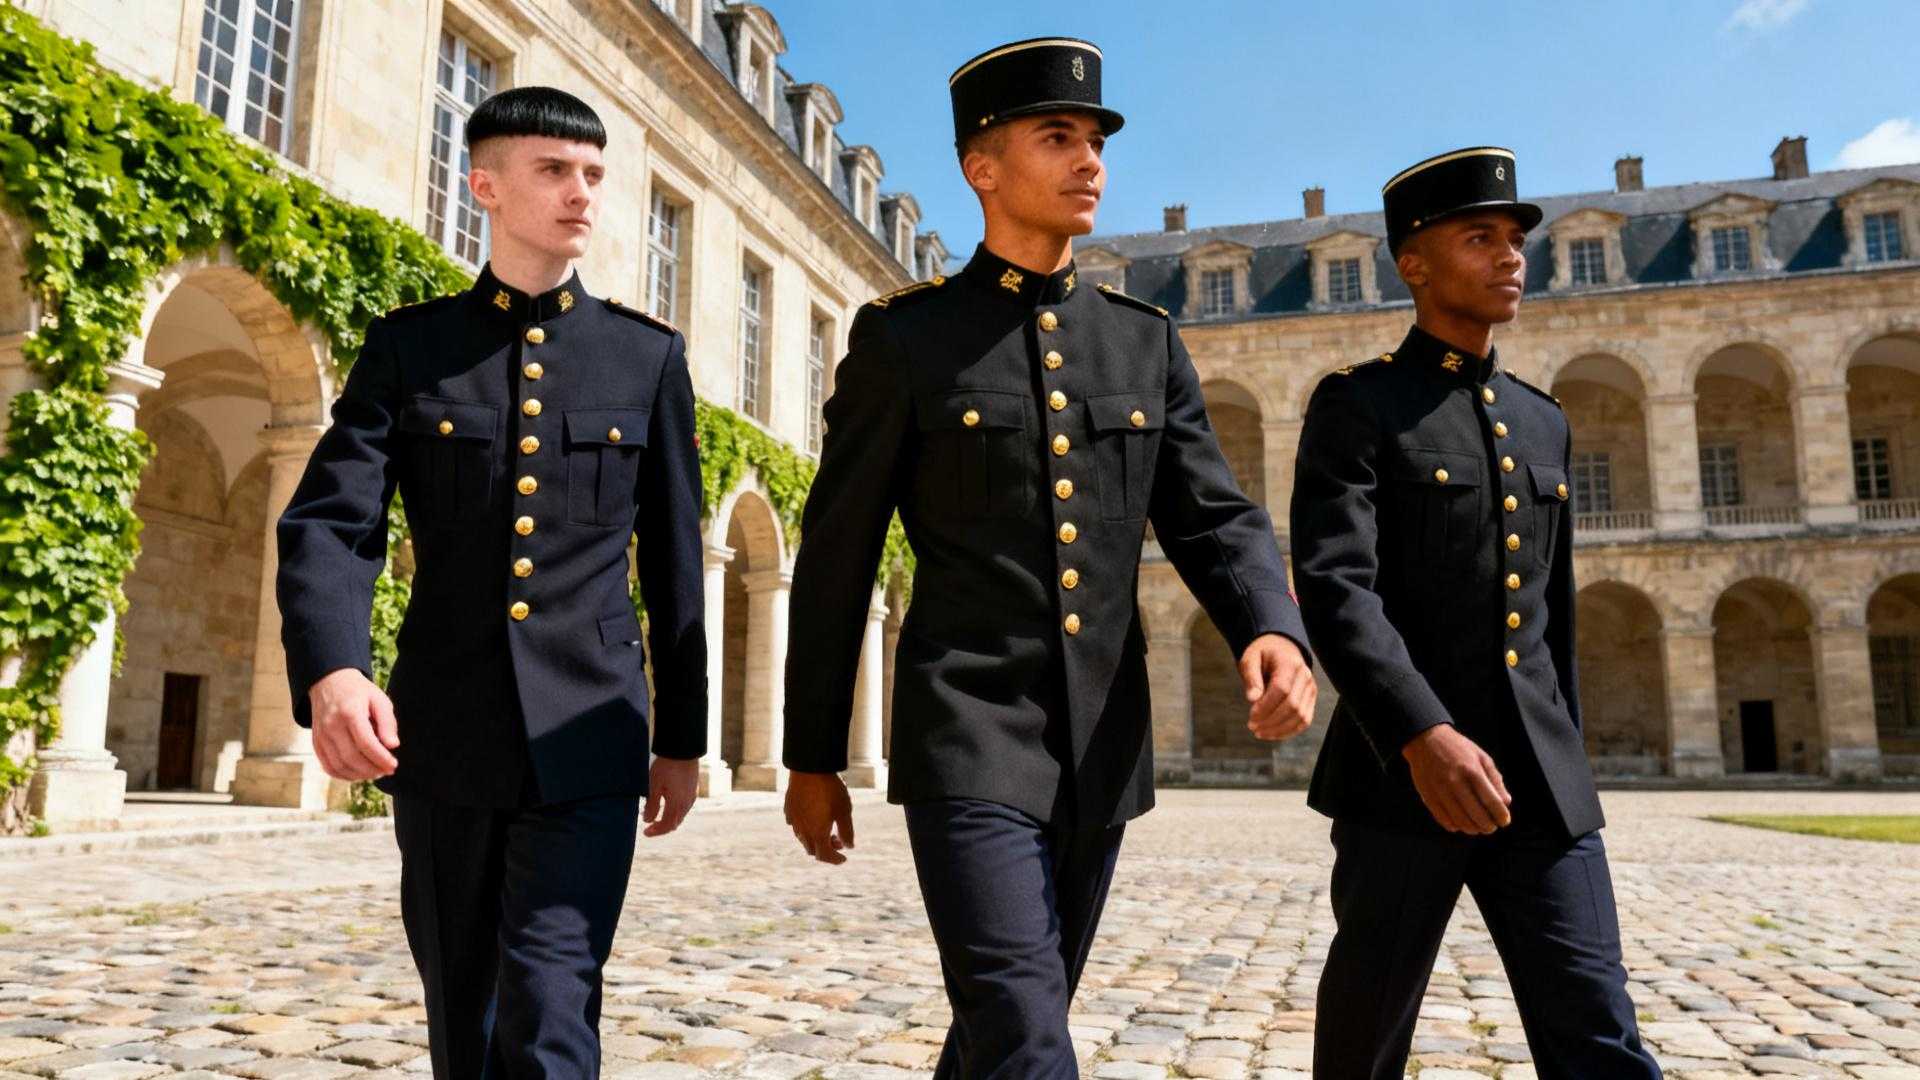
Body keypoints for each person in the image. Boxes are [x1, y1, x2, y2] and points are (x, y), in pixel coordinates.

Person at [780, 37, 1316, 1078]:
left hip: (1100, 744)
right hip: (966, 729)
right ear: (981, 167)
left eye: (1097, 142)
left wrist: (1271, 625)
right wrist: (812, 755)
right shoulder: (906, 341)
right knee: (1027, 1035)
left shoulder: (1144, 343)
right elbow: (837, 555)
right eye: (1058, 137)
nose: (1090, 161)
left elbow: (1213, 515)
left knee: (1008, 1022)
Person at [274, 86, 707, 1078]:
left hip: (590, 733)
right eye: (555, 170)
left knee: (553, 1012)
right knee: (462, 1018)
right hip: (445, 737)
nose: (582, 193)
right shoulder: (411, 349)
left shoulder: (645, 359)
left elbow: (675, 565)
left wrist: (680, 738)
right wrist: (334, 669)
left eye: (594, 174)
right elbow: (333, 521)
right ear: (485, 187)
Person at [1289, 146, 1662, 1079]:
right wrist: (1421, 734)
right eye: (1481, 238)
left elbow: (1551, 617)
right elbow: (1337, 588)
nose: (1510, 257)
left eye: (1515, 240)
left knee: (1600, 1029)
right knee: (1366, 1040)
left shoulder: (1543, 420)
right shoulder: (1360, 404)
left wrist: (1567, 756)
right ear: (1413, 263)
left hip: (1537, 778)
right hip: (1402, 777)